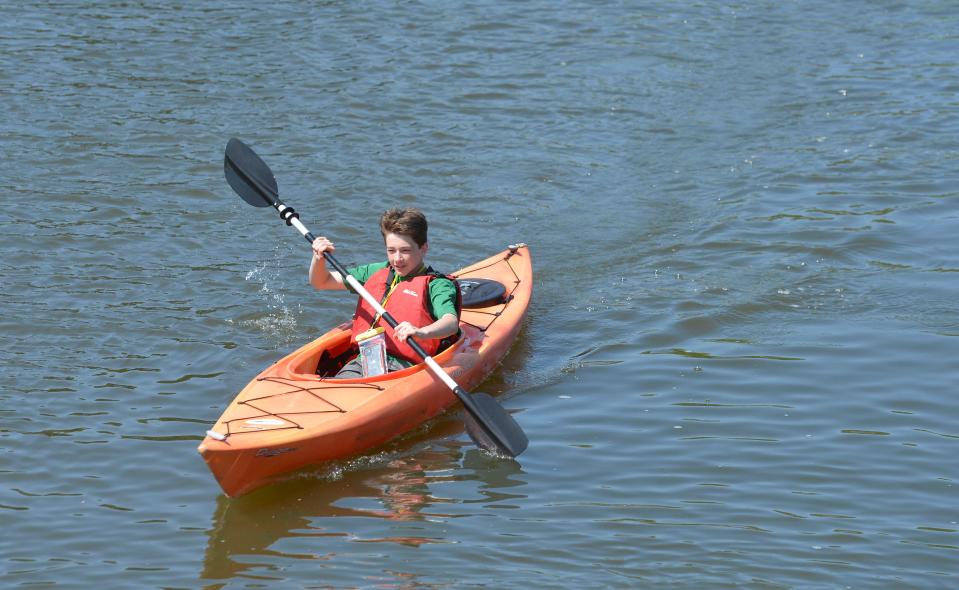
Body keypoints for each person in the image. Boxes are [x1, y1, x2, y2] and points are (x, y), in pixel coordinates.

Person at [309, 207, 460, 378]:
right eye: (391, 250)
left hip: (405, 367)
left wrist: (420, 332)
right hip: (364, 359)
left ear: (423, 248)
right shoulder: (376, 271)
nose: (397, 259)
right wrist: (318, 259)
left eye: (405, 251)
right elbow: (321, 281)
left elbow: (451, 323)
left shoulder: (437, 285)